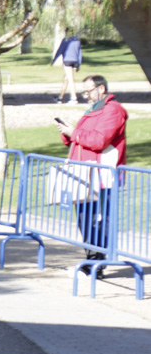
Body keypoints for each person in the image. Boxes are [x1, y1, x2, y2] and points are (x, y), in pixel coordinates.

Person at [56, 75, 126, 279]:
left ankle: (96, 265)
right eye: (84, 91)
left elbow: (98, 141)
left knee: (97, 220)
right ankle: (91, 262)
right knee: (85, 219)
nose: (85, 95)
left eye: (88, 91)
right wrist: (68, 132)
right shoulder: (94, 109)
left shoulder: (113, 110)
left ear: (101, 89)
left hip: (102, 174)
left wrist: (74, 132)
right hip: (85, 173)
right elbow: (83, 137)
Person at [52, 30, 83, 105]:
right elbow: (79, 53)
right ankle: (60, 97)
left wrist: (54, 60)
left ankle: (73, 98)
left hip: (67, 60)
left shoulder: (65, 40)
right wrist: (78, 64)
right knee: (66, 79)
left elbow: (60, 50)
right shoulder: (77, 40)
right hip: (74, 61)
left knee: (70, 79)